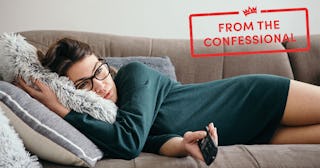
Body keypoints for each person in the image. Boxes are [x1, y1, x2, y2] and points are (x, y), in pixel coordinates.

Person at [15, 37, 320, 162]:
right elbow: (153, 142)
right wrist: (184, 144)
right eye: (84, 83)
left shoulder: (134, 76)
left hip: (257, 98)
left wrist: (61, 109)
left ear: (106, 64)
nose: (100, 86)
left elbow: (129, 143)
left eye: (100, 71)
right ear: (74, 90)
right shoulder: (118, 120)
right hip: (257, 134)